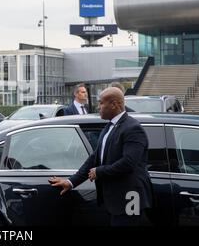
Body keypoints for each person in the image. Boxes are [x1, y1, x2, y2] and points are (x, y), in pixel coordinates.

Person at [49, 87, 153, 226]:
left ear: (114, 104)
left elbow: (129, 163)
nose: (98, 107)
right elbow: (95, 158)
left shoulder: (132, 128)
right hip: (115, 199)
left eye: (101, 103)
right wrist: (71, 182)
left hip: (130, 196)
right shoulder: (109, 127)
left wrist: (99, 171)